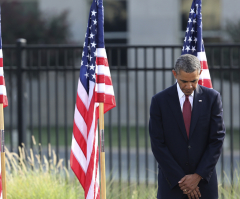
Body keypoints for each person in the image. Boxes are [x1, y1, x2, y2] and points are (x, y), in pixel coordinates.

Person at [149, 54, 225, 199]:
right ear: (175, 74)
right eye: (184, 81)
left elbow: (217, 139)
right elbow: (157, 144)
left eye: (194, 81)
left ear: (200, 74)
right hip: (171, 183)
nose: (189, 86)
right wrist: (183, 181)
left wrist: (197, 176)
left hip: (204, 184)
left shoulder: (212, 98)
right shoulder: (159, 101)